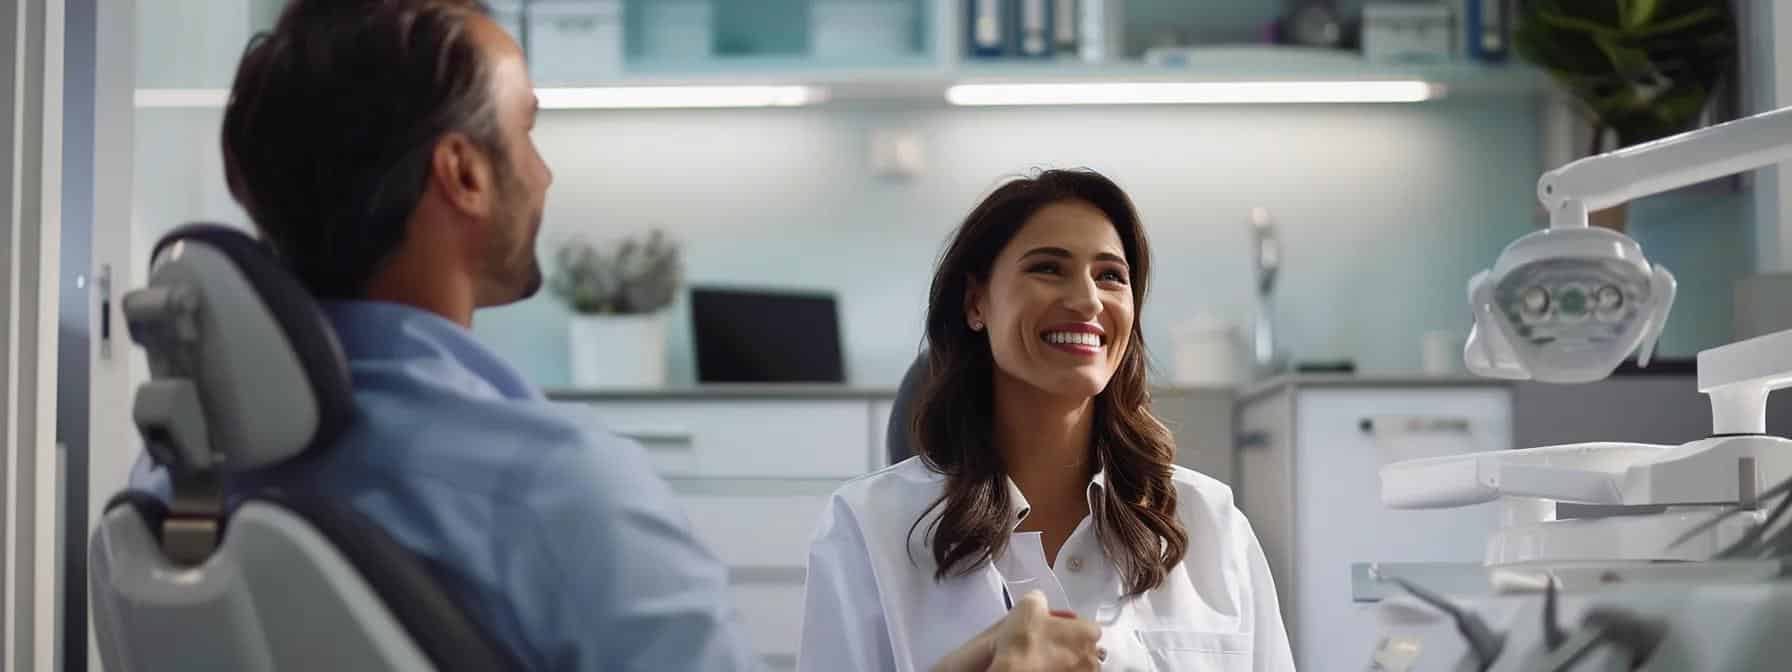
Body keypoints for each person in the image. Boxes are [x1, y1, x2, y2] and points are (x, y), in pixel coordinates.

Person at [128, 1, 1100, 670]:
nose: (542, 174)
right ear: (464, 175)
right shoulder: (550, 488)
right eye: (527, 132)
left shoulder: (180, 474)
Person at [798, 169, 1296, 671]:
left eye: (1110, 276)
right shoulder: (867, 527)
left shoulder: (1212, 524)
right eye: (1048, 269)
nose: (1087, 301)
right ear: (976, 302)